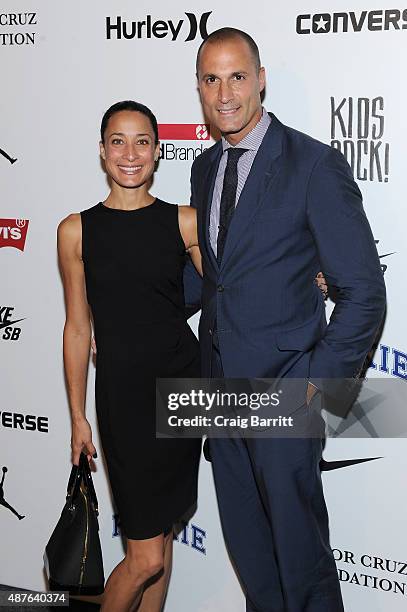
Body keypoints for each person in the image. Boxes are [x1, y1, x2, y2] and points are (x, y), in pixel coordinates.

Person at [184, 28, 386, 611]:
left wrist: (314, 393)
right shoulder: (205, 167)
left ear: (261, 79)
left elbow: (364, 294)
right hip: (220, 401)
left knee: (304, 573)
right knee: (256, 568)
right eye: (211, 79)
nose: (225, 93)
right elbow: (214, 277)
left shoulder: (313, 164)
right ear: (199, 87)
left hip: (286, 398)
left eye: (237, 76)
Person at [57, 101, 202, 612]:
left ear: (158, 151)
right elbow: (78, 328)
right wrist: (78, 417)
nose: (130, 153)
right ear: (102, 151)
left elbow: (238, 288)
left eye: (142, 141)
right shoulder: (77, 230)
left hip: (184, 390)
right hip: (124, 398)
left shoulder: (185, 222)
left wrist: (312, 276)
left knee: (159, 547)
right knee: (144, 559)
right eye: (118, 140)